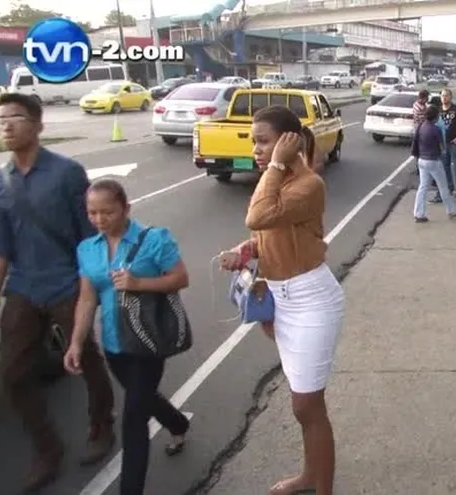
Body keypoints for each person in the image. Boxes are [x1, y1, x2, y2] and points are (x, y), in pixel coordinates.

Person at [0, 93, 115, 491]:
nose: (5, 125)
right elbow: (0, 244)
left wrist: (92, 285)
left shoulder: (67, 172)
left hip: (68, 283)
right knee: (13, 373)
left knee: (85, 358)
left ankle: (101, 425)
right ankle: (46, 449)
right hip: (23, 288)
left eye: (15, 118)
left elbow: (89, 234)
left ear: (38, 125)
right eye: (0, 119)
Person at [221, 106, 345, 495]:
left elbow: (257, 216)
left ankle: (321, 487)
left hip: (312, 301)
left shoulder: (308, 185)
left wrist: (275, 166)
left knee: (308, 406)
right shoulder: (278, 180)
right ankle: (310, 475)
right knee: (301, 404)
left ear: (289, 143)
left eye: (264, 141)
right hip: (280, 297)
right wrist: (247, 251)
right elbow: (264, 233)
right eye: (253, 141)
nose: (257, 150)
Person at [64, 180, 191, 495]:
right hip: (114, 345)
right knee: (142, 397)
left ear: (126, 208)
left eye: (107, 211)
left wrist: (138, 283)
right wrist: (76, 342)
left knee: (133, 419)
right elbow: (86, 299)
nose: (99, 219)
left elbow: (180, 278)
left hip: (148, 342)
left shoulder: (154, 240)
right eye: (92, 212)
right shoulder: (88, 249)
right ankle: (177, 424)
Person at [414, 105, 456, 221]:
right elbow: (442, 148)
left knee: (423, 187)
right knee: (443, 186)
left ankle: (418, 213)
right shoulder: (435, 130)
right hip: (434, 160)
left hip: (422, 159)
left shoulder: (421, 126)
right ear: (435, 117)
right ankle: (452, 210)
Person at [434, 88, 456, 199]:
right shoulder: (438, 111)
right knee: (445, 167)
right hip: (442, 143)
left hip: (454, 142)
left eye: (446, 95)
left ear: (451, 97)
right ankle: (449, 187)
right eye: (442, 95)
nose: (444, 98)